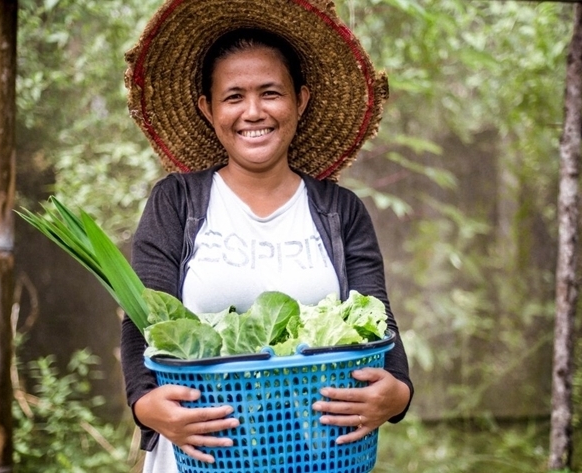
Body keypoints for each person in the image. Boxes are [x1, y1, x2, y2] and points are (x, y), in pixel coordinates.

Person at [120, 0, 413, 471]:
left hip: (318, 455)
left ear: (301, 99)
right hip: (199, 457)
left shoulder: (340, 212)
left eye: (270, 93)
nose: (253, 112)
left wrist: (396, 394)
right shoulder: (177, 202)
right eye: (233, 96)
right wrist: (145, 404)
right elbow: (142, 322)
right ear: (208, 109)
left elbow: (381, 327)